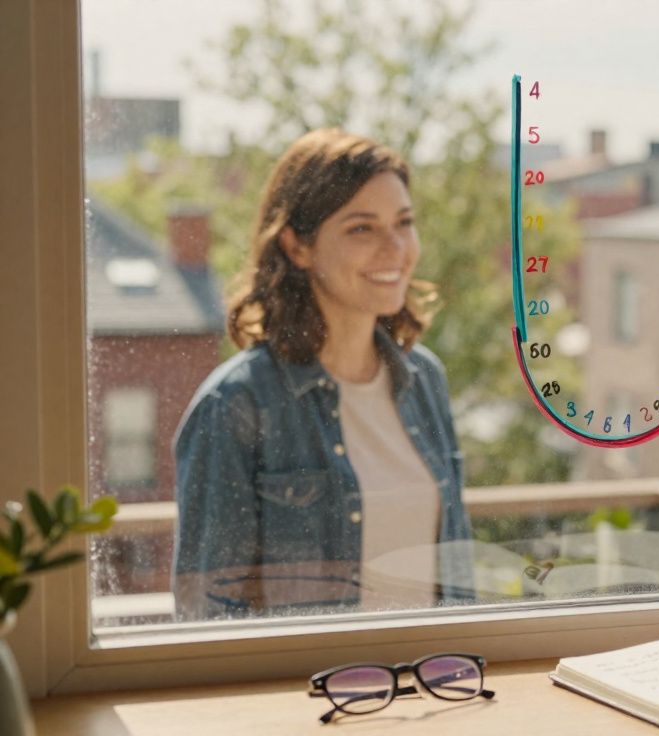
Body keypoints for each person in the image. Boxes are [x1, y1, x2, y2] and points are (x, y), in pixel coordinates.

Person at [172, 129, 474, 620]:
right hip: (313, 693)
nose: (395, 247)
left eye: (404, 222)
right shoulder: (236, 405)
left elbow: (458, 573)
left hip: (435, 685)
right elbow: (208, 612)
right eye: (362, 228)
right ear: (297, 246)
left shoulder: (425, 381)